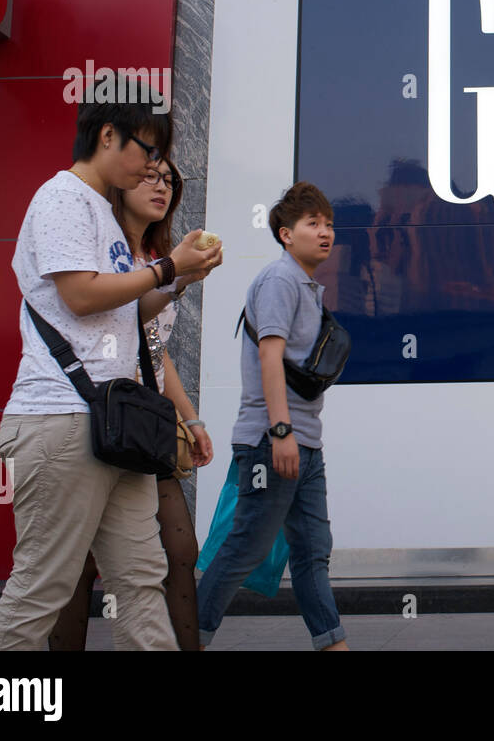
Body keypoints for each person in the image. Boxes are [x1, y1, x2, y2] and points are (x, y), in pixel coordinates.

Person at [0, 92, 222, 651]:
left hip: (114, 428)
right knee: (43, 586)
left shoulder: (100, 212)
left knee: (141, 580)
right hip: (63, 420)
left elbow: (124, 313)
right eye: (147, 150)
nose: (151, 168)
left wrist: (179, 277)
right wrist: (168, 266)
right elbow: (81, 297)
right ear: (108, 135)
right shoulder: (62, 198)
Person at [49, 157, 222, 651]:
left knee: (180, 549)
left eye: (169, 180)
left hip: (142, 423)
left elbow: (154, 348)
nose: (161, 186)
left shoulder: (159, 258)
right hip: (90, 412)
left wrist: (191, 418)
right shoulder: (101, 251)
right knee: (74, 564)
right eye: (149, 175)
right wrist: (170, 275)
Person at [195, 182, 348, 651]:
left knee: (311, 554)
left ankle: (333, 644)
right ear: (286, 234)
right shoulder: (280, 281)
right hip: (273, 440)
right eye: (312, 224)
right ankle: (188, 639)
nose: (325, 233)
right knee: (245, 547)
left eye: (328, 224)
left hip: (305, 443)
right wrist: (280, 432)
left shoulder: (304, 285)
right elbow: (269, 358)